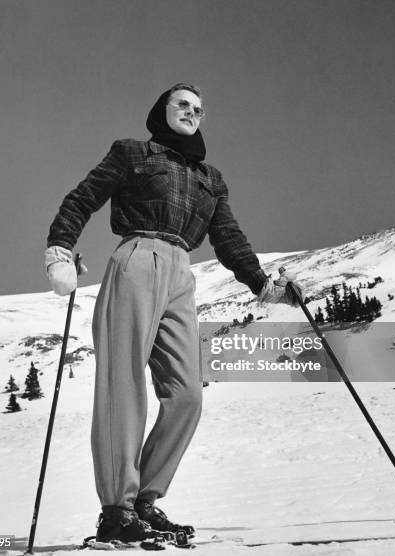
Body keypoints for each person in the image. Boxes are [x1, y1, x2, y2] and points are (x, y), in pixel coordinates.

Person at [44, 83, 303, 543]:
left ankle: (144, 499)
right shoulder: (132, 153)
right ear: (161, 111)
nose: (192, 112)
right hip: (138, 257)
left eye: (199, 109)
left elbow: (229, 238)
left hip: (182, 272)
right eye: (182, 104)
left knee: (187, 395)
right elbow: (83, 197)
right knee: (122, 387)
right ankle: (116, 510)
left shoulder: (211, 179)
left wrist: (264, 284)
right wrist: (60, 249)